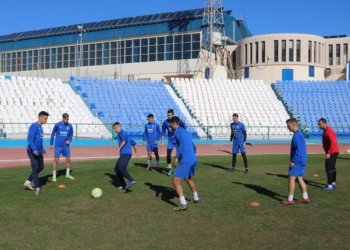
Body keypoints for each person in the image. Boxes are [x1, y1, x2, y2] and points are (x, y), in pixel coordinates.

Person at [170, 116, 200, 211]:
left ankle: (183, 203)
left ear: (173, 124)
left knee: (175, 181)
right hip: (193, 158)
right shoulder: (185, 132)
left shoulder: (178, 132)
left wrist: (176, 157)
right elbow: (194, 146)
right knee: (187, 178)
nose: (170, 126)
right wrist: (192, 156)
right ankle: (196, 198)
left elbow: (182, 145)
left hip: (186, 159)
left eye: (170, 124)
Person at [280, 118, 309, 205]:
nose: (288, 127)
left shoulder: (296, 135)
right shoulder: (300, 134)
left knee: (291, 178)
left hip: (298, 161)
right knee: (300, 178)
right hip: (302, 160)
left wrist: (294, 161)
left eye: (288, 126)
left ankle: (290, 199)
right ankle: (305, 197)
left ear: (293, 125)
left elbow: (298, 150)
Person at [23, 111, 49, 196]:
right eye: (45, 118)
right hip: (32, 151)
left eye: (47, 118)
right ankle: (37, 188)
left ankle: (27, 182)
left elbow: (39, 142)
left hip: (39, 151)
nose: (46, 120)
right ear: (40, 117)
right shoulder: (33, 126)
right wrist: (34, 149)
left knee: (41, 167)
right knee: (35, 168)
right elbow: (30, 139)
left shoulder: (41, 128)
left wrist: (42, 149)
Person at [113, 122, 141, 190]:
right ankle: (123, 185)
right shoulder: (125, 134)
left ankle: (131, 180)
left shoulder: (121, 133)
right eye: (114, 128)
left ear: (120, 127)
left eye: (115, 128)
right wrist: (136, 152)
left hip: (126, 153)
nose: (115, 130)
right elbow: (134, 143)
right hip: (124, 154)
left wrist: (119, 148)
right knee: (116, 169)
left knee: (121, 167)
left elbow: (124, 140)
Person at [161, 109, 186, 176]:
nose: (169, 116)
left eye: (170, 115)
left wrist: (182, 136)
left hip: (177, 140)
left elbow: (184, 127)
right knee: (168, 154)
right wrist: (162, 141)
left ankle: (179, 170)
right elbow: (163, 132)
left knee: (179, 155)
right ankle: (169, 168)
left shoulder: (178, 121)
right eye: (168, 115)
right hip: (170, 140)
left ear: (173, 115)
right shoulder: (165, 122)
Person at [50, 113, 74, 182]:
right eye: (66, 119)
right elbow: (53, 134)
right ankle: (54, 176)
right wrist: (51, 143)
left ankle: (67, 174)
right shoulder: (57, 125)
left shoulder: (70, 126)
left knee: (68, 159)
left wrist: (69, 140)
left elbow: (71, 134)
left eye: (68, 119)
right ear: (63, 118)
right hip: (58, 145)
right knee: (56, 160)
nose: (67, 120)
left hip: (65, 146)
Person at [318, 118, 340, 191]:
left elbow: (333, 142)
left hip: (332, 152)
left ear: (324, 123)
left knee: (329, 168)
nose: (319, 125)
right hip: (334, 151)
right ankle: (333, 182)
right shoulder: (326, 131)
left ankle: (330, 185)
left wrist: (329, 152)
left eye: (320, 124)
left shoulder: (329, 131)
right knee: (332, 167)